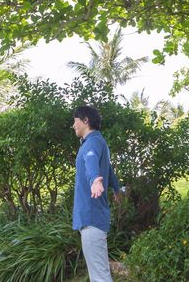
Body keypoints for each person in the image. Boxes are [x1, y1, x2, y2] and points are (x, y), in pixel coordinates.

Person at [72, 105, 121, 282]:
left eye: (75, 121)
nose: (73, 125)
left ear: (85, 120)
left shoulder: (91, 144)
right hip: (93, 217)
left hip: (91, 217)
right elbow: (109, 169)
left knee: (100, 276)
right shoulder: (99, 141)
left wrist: (95, 180)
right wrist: (116, 188)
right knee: (98, 274)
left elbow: (91, 160)